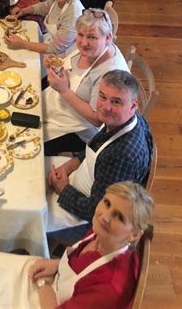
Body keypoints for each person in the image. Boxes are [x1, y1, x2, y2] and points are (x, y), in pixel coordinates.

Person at [0, 181, 154, 309]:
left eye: (119, 217)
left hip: (53, 296)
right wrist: (56, 265)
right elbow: (79, 265)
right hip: (58, 282)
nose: (104, 216)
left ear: (135, 234)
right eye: (106, 203)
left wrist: (43, 284)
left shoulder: (109, 286)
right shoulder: (104, 235)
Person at [46, 70, 153, 239]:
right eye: (102, 96)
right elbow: (96, 147)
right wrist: (70, 165)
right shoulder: (122, 120)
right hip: (86, 178)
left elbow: (95, 211)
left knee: (29, 214)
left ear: (133, 105)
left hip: (88, 223)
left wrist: (63, 189)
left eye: (116, 102)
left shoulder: (122, 154)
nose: (106, 107)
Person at [43, 8, 129, 155]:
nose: (83, 42)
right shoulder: (90, 48)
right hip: (58, 102)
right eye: (80, 35)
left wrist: (64, 90)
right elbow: (69, 56)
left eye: (92, 37)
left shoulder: (110, 74)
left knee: (31, 143)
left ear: (108, 38)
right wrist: (57, 60)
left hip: (76, 129)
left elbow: (97, 119)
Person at [4, 0, 83, 56]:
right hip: (51, 40)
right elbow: (44, 7)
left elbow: (55, 49)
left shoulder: (73, 14)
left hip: (62, 56)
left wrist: (22, 43)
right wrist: (23, 11)